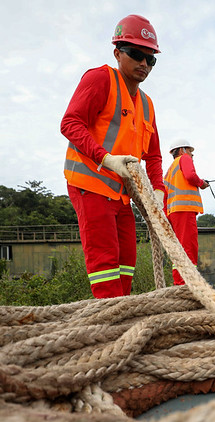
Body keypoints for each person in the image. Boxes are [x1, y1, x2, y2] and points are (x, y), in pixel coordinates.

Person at [61, 14, 167, 299]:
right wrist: (105, 159)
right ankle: (110, 330)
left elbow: (154, 155)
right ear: (118, 53)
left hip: (122, 195)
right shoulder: (100, 79)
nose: (144, 63)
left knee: (126, 267)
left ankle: (124, 321)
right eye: (136, 54)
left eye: (151, 59)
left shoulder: (147, 104)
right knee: (105, 267)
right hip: (91, 185)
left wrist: (157, 190)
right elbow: (70, 123)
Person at [164, 139, 209, 285]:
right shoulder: (184, 159)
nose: (192, 155)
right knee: (188, 247)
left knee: (180, 248)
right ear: (182, 150)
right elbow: (190, 175)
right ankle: (187, 284)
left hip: (174, 213)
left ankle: (180, 282)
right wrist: (202, 183)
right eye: (190, 151)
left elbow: (164, 194)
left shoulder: (170, 170)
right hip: (184, 210)